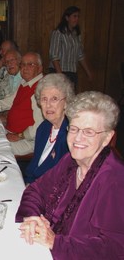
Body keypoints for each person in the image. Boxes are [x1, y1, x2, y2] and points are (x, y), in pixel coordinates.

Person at [16, 91, 124, 259]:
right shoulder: (71, 161)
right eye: (73, 129)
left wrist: (55, 242)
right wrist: (33, 218)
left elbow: (114, 249)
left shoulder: (114, 180)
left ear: (107, 137)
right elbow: (35, 190)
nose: (77, 138)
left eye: (89, 132)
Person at [23, 73, 75, 184]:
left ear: (66, 102)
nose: (48, 105)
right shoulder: (44, 128)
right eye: (44, 99)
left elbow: (64, 180)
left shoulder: (70, 135)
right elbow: (34, 166)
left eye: (54, 99)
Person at [5, 52, 44, 155]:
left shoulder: (41, 89)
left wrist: (19, 136)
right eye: (23, 64)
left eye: (30, 64)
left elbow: (40, 126)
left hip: (30, 141)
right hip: (13, 132)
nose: (25, 68)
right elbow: (9, 101)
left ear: (39, 69)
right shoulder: (24, 83)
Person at [49, 6, 93, 90]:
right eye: (74, 16)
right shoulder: (58, 33)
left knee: (71, 99)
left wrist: (88, 73)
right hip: (59, 71)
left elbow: (80, 55)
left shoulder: (76, 34)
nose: (76, 19)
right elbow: (54, 56)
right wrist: (60, 76)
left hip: (72, 72)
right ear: (67, 17)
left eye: (78, 16)